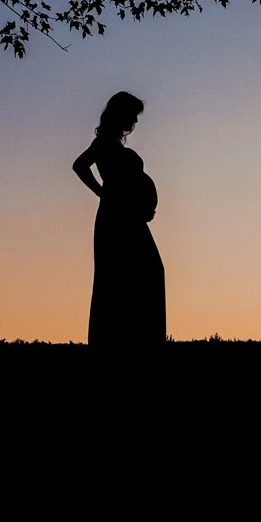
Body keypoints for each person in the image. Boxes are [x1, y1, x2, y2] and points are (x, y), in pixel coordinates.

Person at [73, 91, 166, 346]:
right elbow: (79, 166)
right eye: (133, 115)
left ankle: (140, 339)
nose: (135, 121)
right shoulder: (103, 142)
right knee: (123, 278)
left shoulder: (111, 143)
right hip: (117, 219)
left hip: (129, 217)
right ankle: (126, 342)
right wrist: (102, 192)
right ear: (121, 113)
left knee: (144, 274)